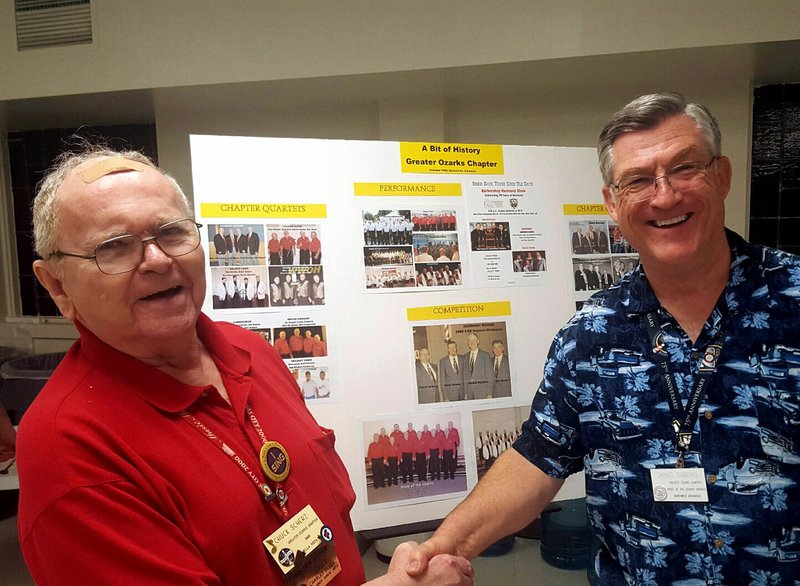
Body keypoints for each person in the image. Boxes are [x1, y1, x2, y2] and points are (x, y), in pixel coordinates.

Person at [18, 147, 471, 586]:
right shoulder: (67, 452)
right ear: (57, 285)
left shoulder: (249, 351)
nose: (157, 260)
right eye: (115, 246)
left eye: (172, 232)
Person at [409, 93, 800, 584]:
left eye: (684, 169)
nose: (664, 196)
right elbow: (537, 456)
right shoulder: (590, 334)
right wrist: (443, 548)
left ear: (721, 176)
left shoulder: (793, 299)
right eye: (639, 180)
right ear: (613, 204)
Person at [462, 334, 493, 399]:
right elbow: (465, 377)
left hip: (482, 393)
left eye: (474, 340)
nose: (472, 342)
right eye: (470, 341)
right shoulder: (465, 357)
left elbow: (490, 376)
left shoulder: (485, 355)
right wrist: (466, 393)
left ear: (478, 341)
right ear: (468, 343)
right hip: (469, 393)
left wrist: (489, 393)